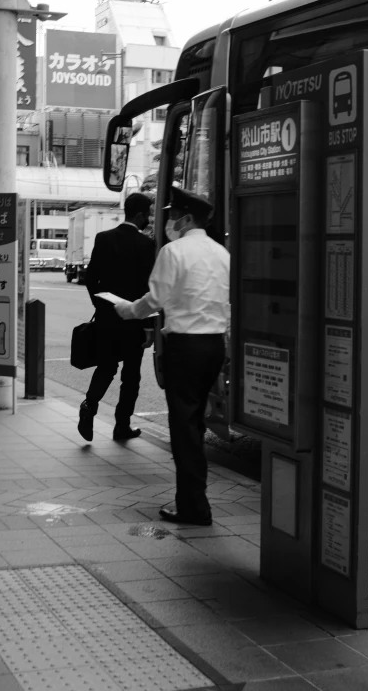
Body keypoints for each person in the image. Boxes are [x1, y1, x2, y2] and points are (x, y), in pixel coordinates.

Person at [115, 187, 230, 526]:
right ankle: (195, 501)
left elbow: (155, 300)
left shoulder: (173, 251)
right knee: (194, 424)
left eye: (173, 214)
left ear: (187, 218)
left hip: (185, 347)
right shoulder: (222, 253)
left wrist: (127, 310)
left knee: (184, 428)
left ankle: (194, 507)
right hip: (213, 346)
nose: (169, 221)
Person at [78, 192, 155, 443]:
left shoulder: (103, 238)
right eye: (148, 214)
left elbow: (91, 279)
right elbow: (148, 290)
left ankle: (89, 405)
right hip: (133, 321)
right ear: (141, 214)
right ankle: (122, 426)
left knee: (107, 366)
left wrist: (101, 306)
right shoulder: (146, 245)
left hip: (107, 319)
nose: (149, 219)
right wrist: (148, 325)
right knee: (131, 376)